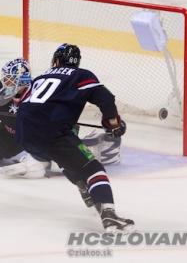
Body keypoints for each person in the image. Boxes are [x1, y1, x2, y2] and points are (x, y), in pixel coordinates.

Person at [16, 43, 134, 231]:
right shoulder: (81, 75)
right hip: (51, 132)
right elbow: (106, 99)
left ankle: (83, 186)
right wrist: (114, 124)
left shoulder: (41, 77)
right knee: (93, 168)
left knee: (63, 154)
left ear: (56, 60)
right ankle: (110, 217)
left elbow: (21, 103)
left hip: (23, 133)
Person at [0, 58, 122, 177]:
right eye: (6, 78)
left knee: (65, 164)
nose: (7, 83)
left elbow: (61, 123)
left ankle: (97, 144)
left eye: (12, 80)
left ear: (24, 80)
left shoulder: (39, 94)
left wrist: (41, 158)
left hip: (50, 133)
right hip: (15, 133)